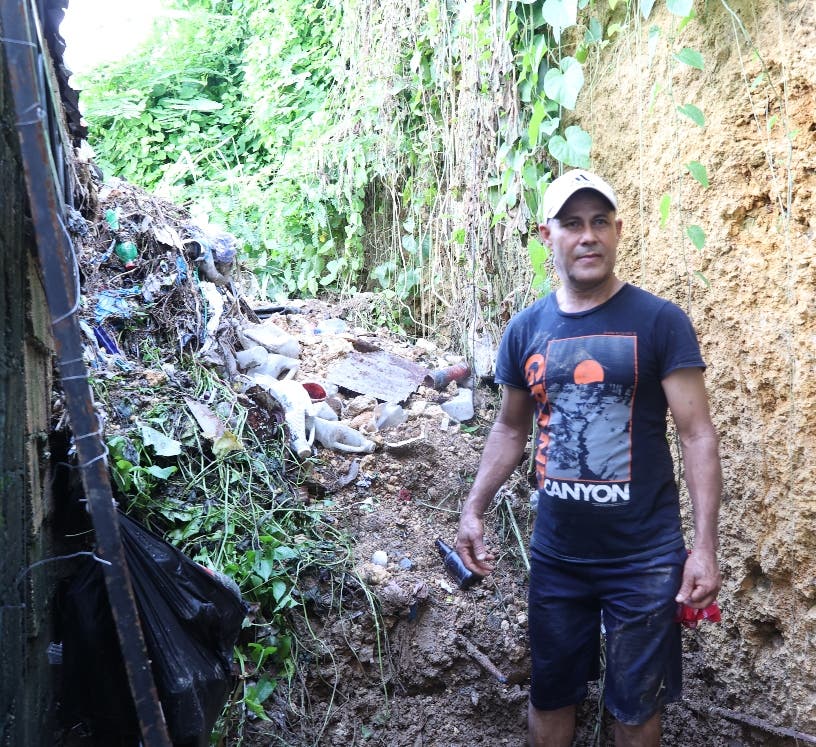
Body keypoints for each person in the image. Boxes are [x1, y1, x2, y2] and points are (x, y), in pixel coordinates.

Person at [455, 169, 722, 746]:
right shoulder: (526, 329)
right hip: (557, 558)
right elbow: (508, 427)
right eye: (572, 224)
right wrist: (474, 507)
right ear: (545, 235)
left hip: (645, 560)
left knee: (634, 710)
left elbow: (697, 434)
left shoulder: (660, 322)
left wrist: (704, 547)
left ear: (618, 231)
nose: (588, 236)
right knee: (550, 699)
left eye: (600, 222)